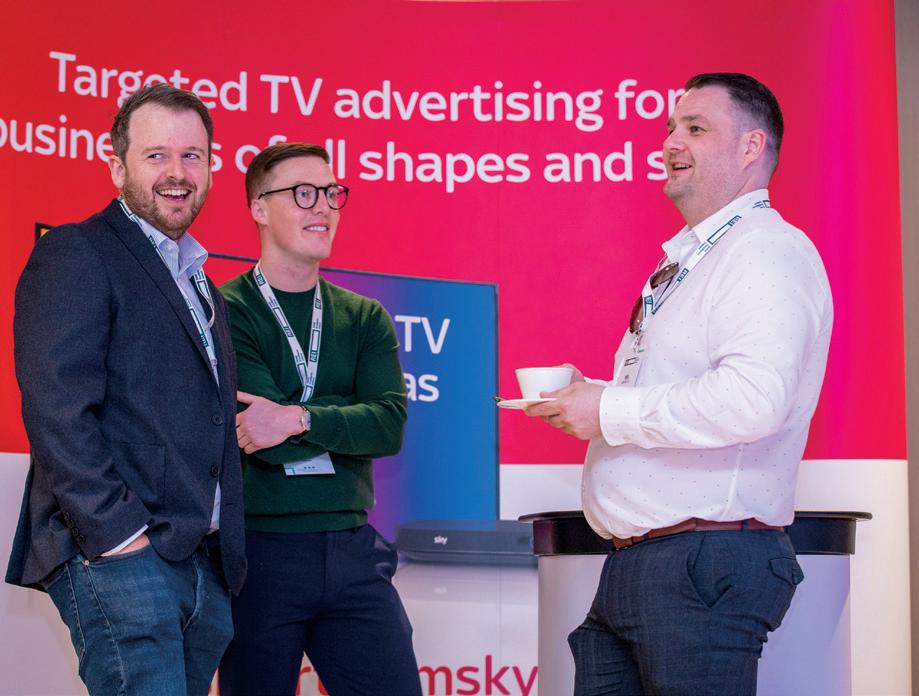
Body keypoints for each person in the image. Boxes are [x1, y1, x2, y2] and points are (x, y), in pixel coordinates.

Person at [527, 72, 832, 694]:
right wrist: (592, 397)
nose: (671, 142)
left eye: (695, 128)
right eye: (670, 128)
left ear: (751, 147)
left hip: (700, 565)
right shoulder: (695, 257)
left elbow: (752, 401)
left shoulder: (765, 250)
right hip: (645, 565)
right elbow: (682, 387)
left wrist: (608, 410)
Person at [7, 83, 246, 696]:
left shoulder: (203, 286)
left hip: (200, 564)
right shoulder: (77, 251)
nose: (177, 173)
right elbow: (57, 408)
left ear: (211, 168)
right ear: (117, 167)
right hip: (122, 554)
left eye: (192, 155)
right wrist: (118, 538)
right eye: (156, 155)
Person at [218, 142, 421, 696]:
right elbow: (258, 433)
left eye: (332, 193)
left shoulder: (365, 316)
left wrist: (298, 418)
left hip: (352, 547)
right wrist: (338, 415)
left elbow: (388, 425)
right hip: (260, 554)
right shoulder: (225, 311)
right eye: (303, 194)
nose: (324, 207)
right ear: (259, 207)